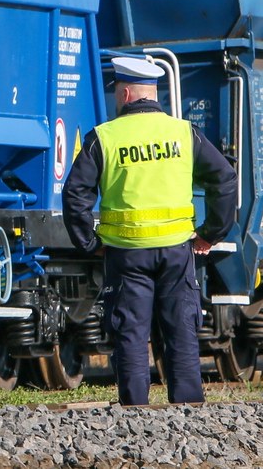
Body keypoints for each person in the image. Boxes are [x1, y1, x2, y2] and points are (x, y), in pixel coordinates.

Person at [62, 56, 236, 405]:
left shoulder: (105, 137)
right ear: (151, 94)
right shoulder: (184, 133)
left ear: (125, 94)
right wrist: (211, 233)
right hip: (177, 250)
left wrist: (89, 242)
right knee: (181, 330)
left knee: (130, 332)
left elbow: (75, 194)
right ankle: (188, 406)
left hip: (126, 254)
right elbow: (225, 179)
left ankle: (135, 410)